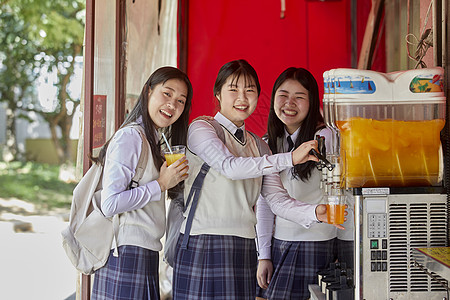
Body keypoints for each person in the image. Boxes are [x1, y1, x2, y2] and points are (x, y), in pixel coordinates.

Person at [172, 59, 343, 299]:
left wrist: (315, 213)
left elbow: (277, 200)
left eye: (249, 90)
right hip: (204, 241)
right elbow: (229, 166)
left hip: (243, 247)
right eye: (233, 89)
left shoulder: (260, 145)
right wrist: (290, 158)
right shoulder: (202, 128)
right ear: (218, 93)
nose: (242, 97)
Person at [90, 66, 193, 300]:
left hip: (145, 252)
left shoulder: (153, 140)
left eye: (180, 101)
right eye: (166, 94)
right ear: (148, 92)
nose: (172, 105)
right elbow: (110, 203)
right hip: (126, 253)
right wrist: (160, 184)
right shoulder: (131, 137)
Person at [255, 67, 342, 300]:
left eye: (299, 97)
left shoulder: (326, 139)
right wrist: (264, 254)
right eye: (283, 95)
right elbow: (265, 203)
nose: (289, 103)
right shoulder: (268, 143)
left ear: (312, 102)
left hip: (315, 244)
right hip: (278, 244)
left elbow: (342, 191)